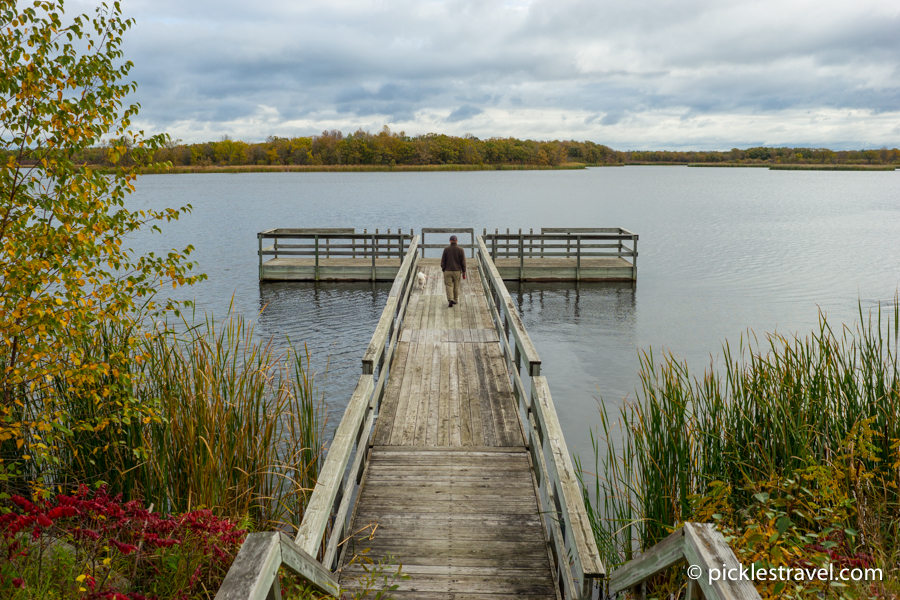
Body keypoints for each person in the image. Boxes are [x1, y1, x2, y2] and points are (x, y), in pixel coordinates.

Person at [440, 235, 466, 307]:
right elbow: (463, 262)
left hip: (448, 270)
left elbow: (443, 261)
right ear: (457, 241)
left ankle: (450, 299)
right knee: (456, 285)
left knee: (449, 285)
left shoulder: (446, 249)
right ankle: (455, 300)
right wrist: (464, 271)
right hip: (457, 271)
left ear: (450, 241)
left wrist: (443, 269)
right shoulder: (461, 250)